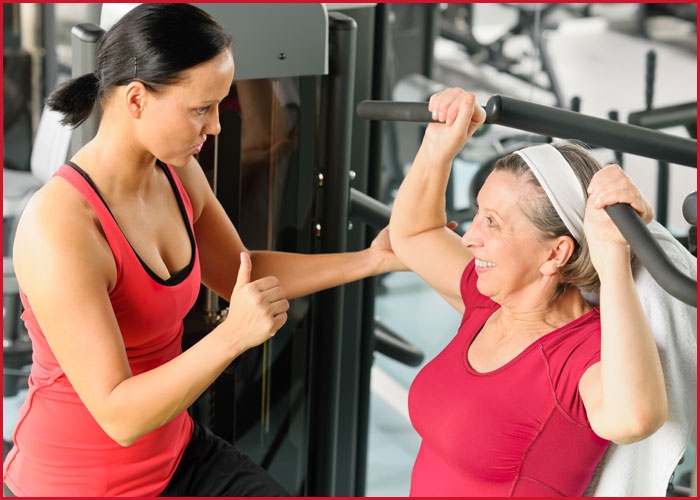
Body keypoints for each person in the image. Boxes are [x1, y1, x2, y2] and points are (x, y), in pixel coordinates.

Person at [2, 4, 403, 497]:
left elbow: (241, 274)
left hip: (178, 454)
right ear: (135, 100)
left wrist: (374, 258)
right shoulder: (61, 226)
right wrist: (233, 336)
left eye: (218, 105)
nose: (215, 127)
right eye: (200, 109)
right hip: (80, 481)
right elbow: (119, 415)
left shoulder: (174, 171)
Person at [388, 88, 668, 496]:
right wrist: (438, 145)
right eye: (478, 215)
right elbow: (415, 233)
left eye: (493, 223)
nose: (469, 238)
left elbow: (634, 419)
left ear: (556, 253)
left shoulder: (581, 354)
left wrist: (613, 254)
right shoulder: (489, 300)